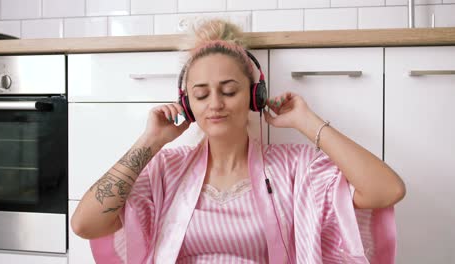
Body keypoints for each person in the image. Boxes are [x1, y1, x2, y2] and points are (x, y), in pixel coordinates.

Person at [71, 19, 406, 264]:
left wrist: (307, 122)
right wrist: (150, 141)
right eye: (201, 95)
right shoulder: (165, 168)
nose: (215, 104)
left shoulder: (295, 167)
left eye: (229, 91)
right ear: (187, 104)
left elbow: (386, 190)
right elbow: (86, 224)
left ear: (253, 95)